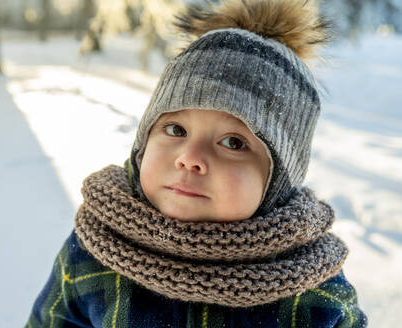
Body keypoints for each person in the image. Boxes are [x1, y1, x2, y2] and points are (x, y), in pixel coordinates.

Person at [25, 0, 368, 326]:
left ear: (276, 183)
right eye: (175, 129)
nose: (190, 158)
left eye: (233, 143)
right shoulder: (95, 250)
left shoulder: (311, 288)